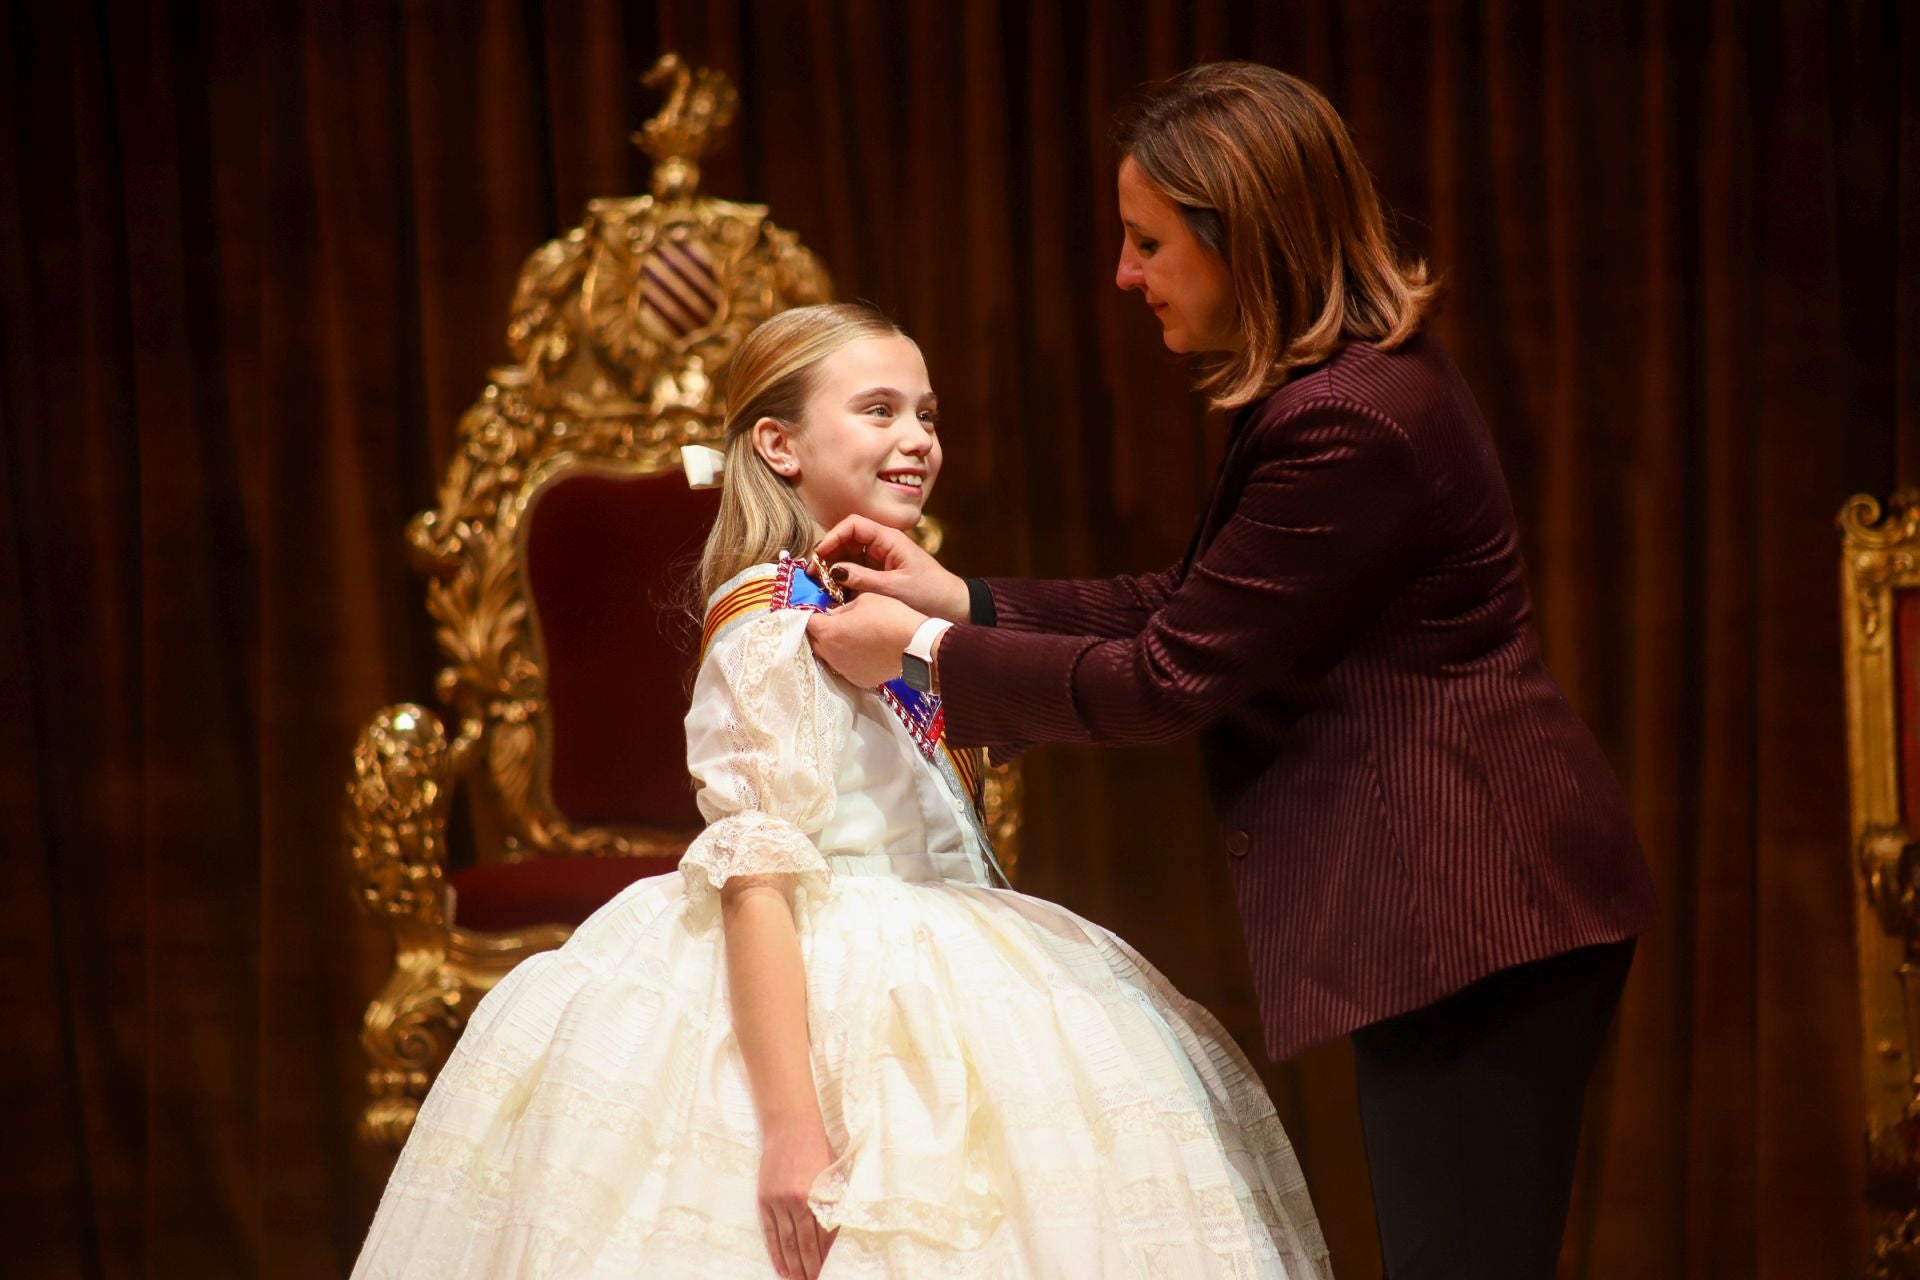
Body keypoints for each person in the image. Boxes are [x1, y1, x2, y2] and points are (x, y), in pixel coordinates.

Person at [806, 64, 1660, 1279]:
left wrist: (928, 653)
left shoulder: (1348, 420)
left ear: (1243, 237)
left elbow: (1166, 676)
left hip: (1479, 905)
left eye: (1148, 240)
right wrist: (965, 597)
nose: (1124, 273)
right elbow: (1191, 601)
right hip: (1461, 905)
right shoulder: (1338, 388)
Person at [351, 302, 1332, 1279]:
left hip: (953, 957)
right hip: (814, 982)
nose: (917, 439)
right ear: (778, 443)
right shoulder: (775, 630)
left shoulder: (875, 612)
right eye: (880, 410)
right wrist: (788, 1129)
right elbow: (758, 880)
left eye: (929, 414)